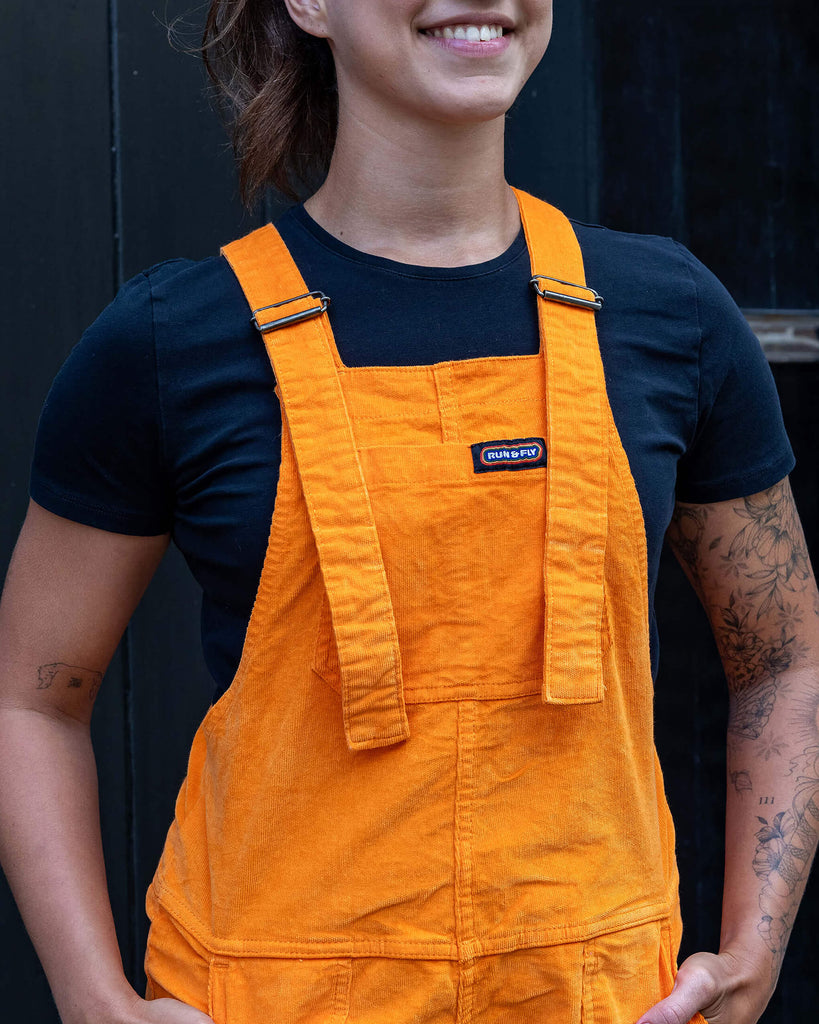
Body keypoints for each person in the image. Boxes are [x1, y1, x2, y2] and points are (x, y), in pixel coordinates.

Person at [0, 2, 816, 1023]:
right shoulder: (171, 343)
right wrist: (92, 1000)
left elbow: (784, 659)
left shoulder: (672, 319)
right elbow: (29, 699)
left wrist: (756, 946)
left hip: (597, 997)